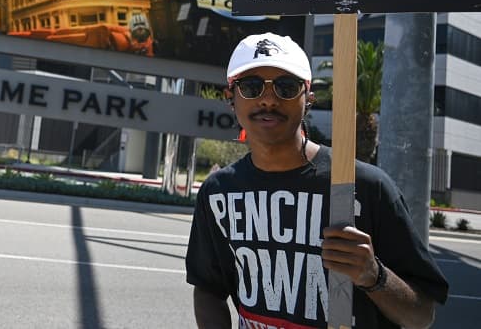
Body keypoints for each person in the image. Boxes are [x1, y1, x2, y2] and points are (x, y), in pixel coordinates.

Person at [186, 32, 448, 329]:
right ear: (230, 97)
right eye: (251, 86)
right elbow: (209, 289)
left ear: (308, 98)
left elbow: (422, 316)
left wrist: (374, 276)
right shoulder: (218, 192)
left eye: (286, 87)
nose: (268, 99)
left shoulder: (365, 187)